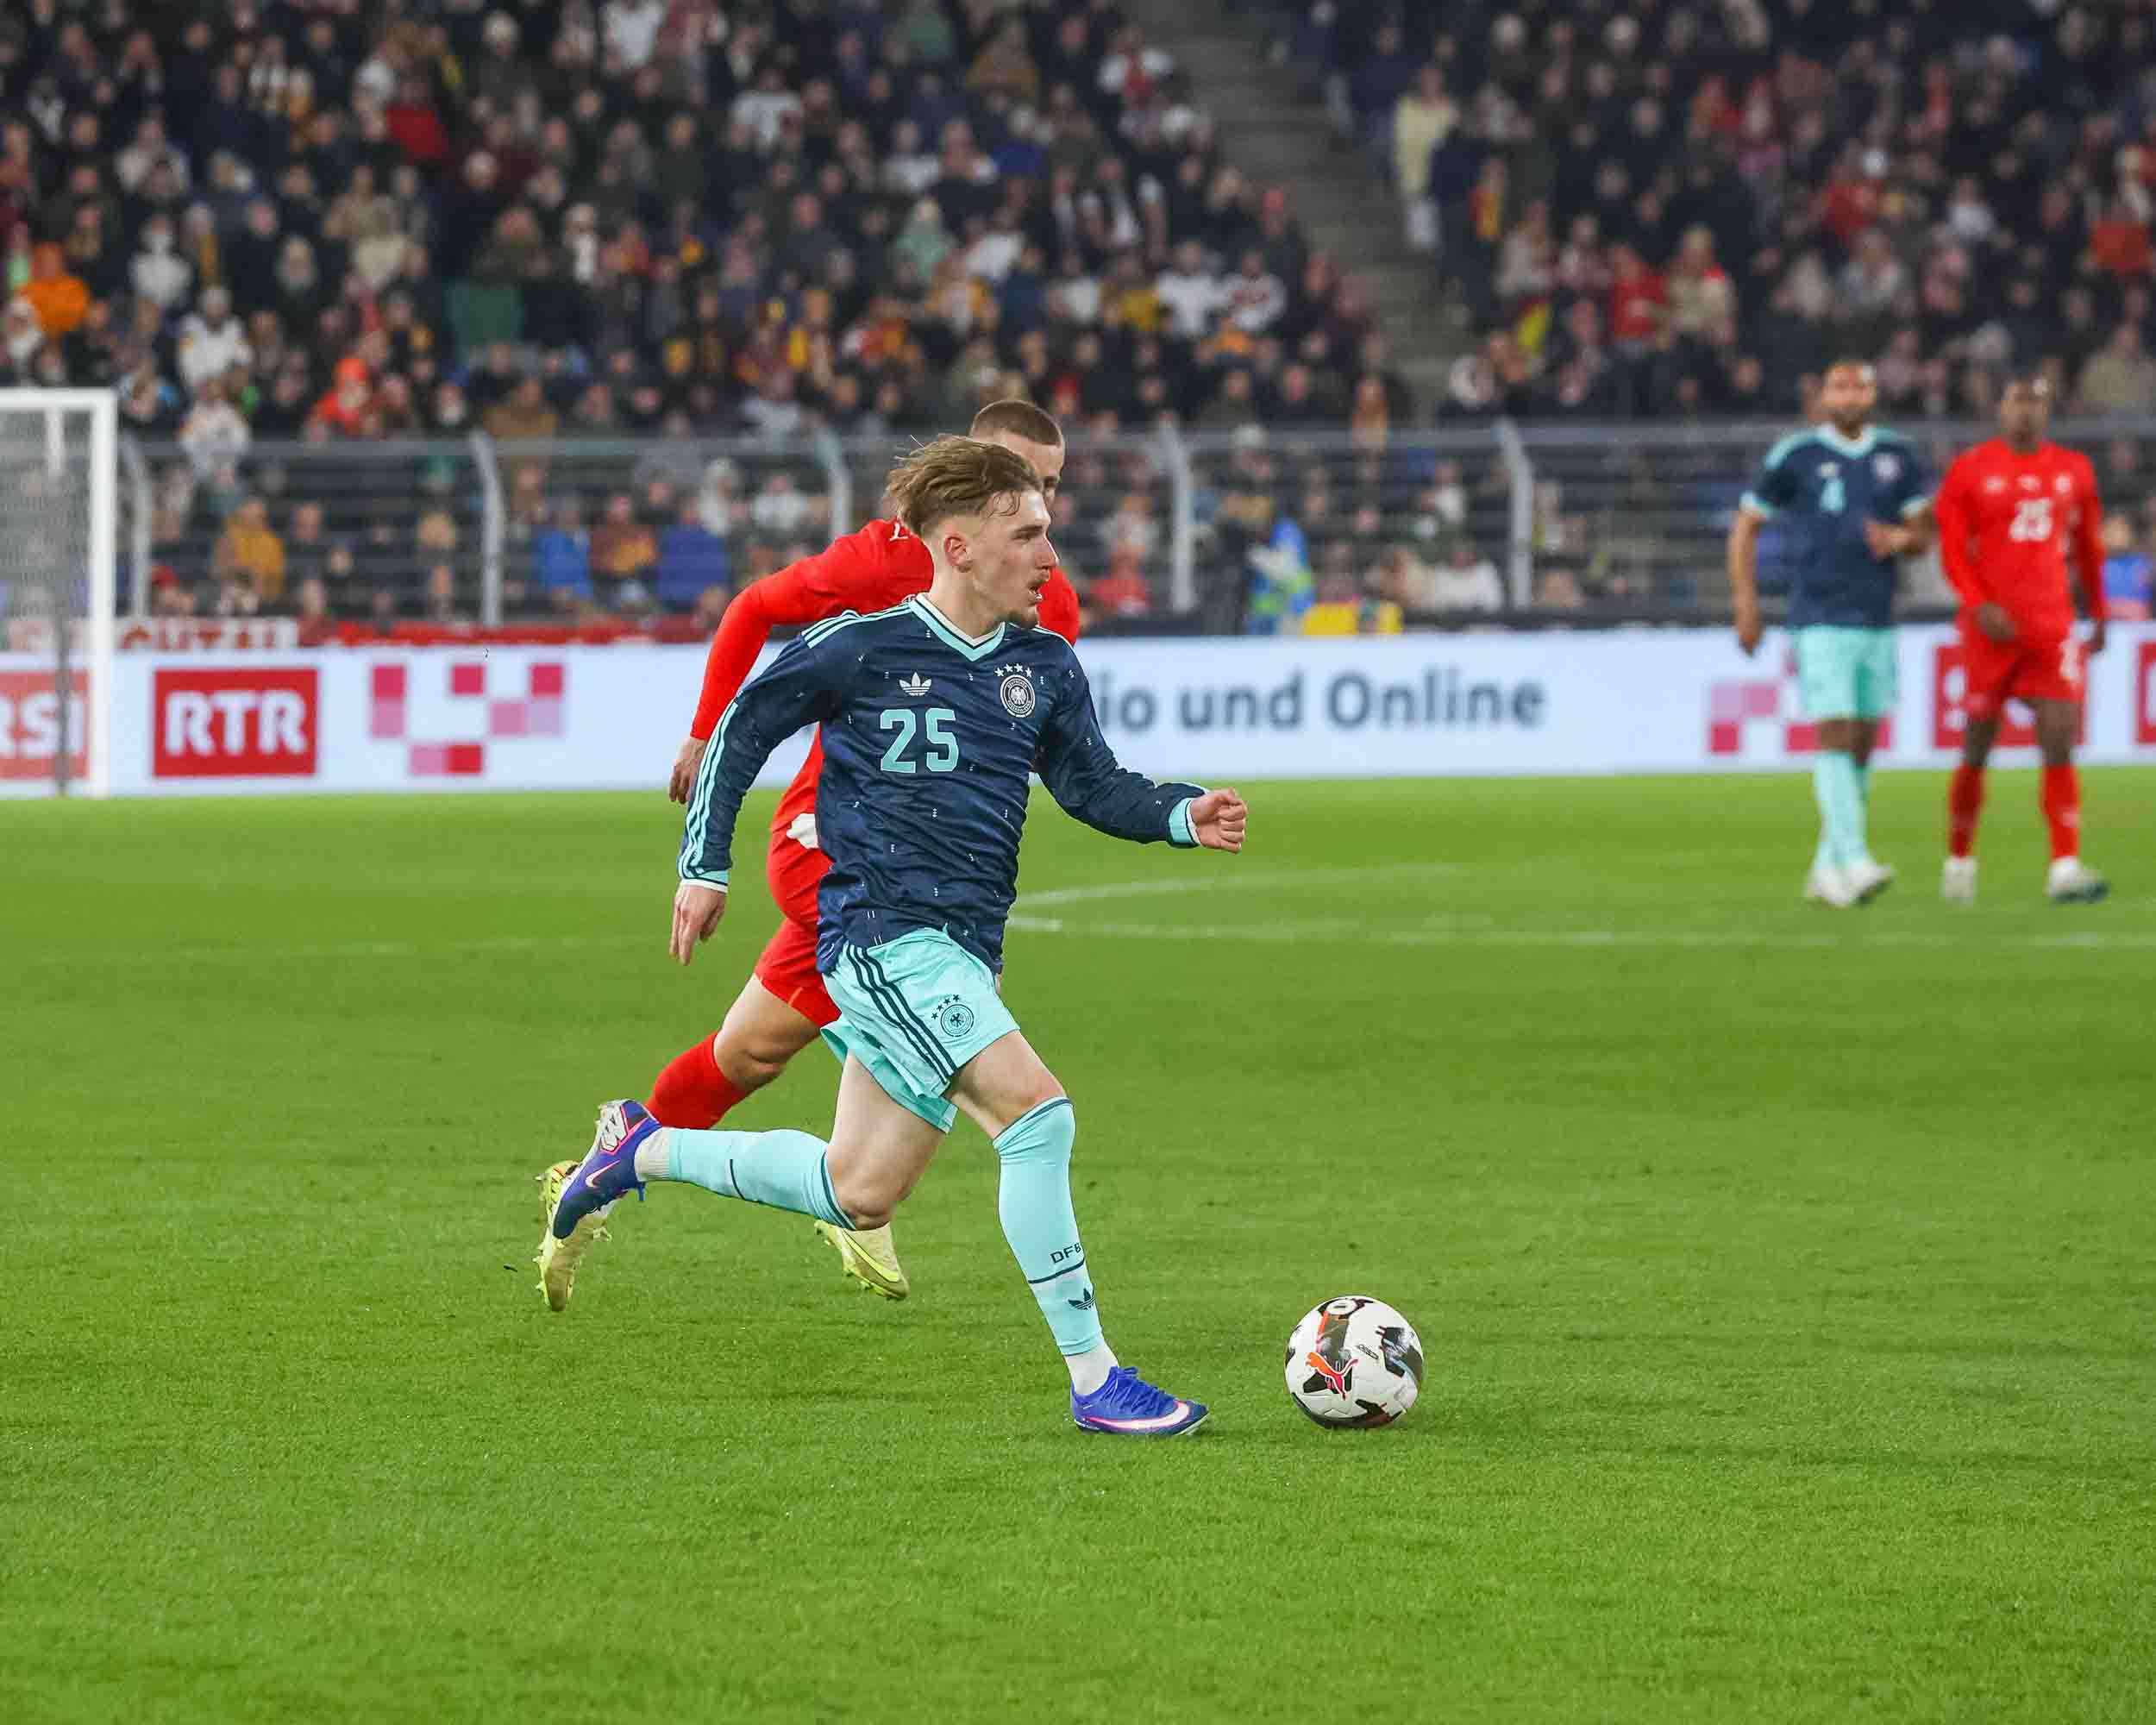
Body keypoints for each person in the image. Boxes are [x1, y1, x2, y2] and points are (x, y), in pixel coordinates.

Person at [537, 436, 1245, 1437]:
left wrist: (1178, 812)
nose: (1050, 555)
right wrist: (704, 866)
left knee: (858, 1190)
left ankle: (641, 1150)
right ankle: (1097, 1380)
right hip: (883, 938)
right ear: (957, 547)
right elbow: (745, 726)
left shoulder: (1043, 664)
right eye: (1026, 534)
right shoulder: (864, 645)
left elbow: (1092, 783)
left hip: (962, 951)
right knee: (1037, 1116)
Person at [627, 402, 1080, 1303]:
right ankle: (857, 1191)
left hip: (925, 870)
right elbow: (756, 609)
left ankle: (616, 1156)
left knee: (749, 1052)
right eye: (1021, 478)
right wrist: (703, 732)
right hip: (828, 845)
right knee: (922, 1022)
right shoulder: (880, 558)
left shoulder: (1046, 598)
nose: (1039, 503)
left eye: (1051, 486)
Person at [1727, 360, 1931, 907]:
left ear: (1872, 394)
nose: (1849, 396)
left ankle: (1826, 866)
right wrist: (1746, 603)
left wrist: (1901, 539)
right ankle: (1855, 857)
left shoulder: (1897, 455)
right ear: (1824, 395)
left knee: (1861, 742)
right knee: (1834, 731)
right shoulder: (1796, 455)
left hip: (1877, 615)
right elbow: (1745, 527)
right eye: (1839, 387)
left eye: (1859, 386)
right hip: (1818, 615)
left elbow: (1924, 533)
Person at [1930, 375, 2109, 904]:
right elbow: (1952, 549)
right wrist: (1977, 603)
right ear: (2000, 407)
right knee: (1977, 743)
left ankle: (2064, 866)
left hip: (2051, 627)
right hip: (1990, 632)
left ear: (2047, 410)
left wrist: (2099, 612)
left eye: (2035, 401)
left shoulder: (2073, 470)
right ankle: (1959, 860)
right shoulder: (1970, 469)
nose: (2025, 411)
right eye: (2017, 401)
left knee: (2059, 737)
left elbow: (2089, 548)